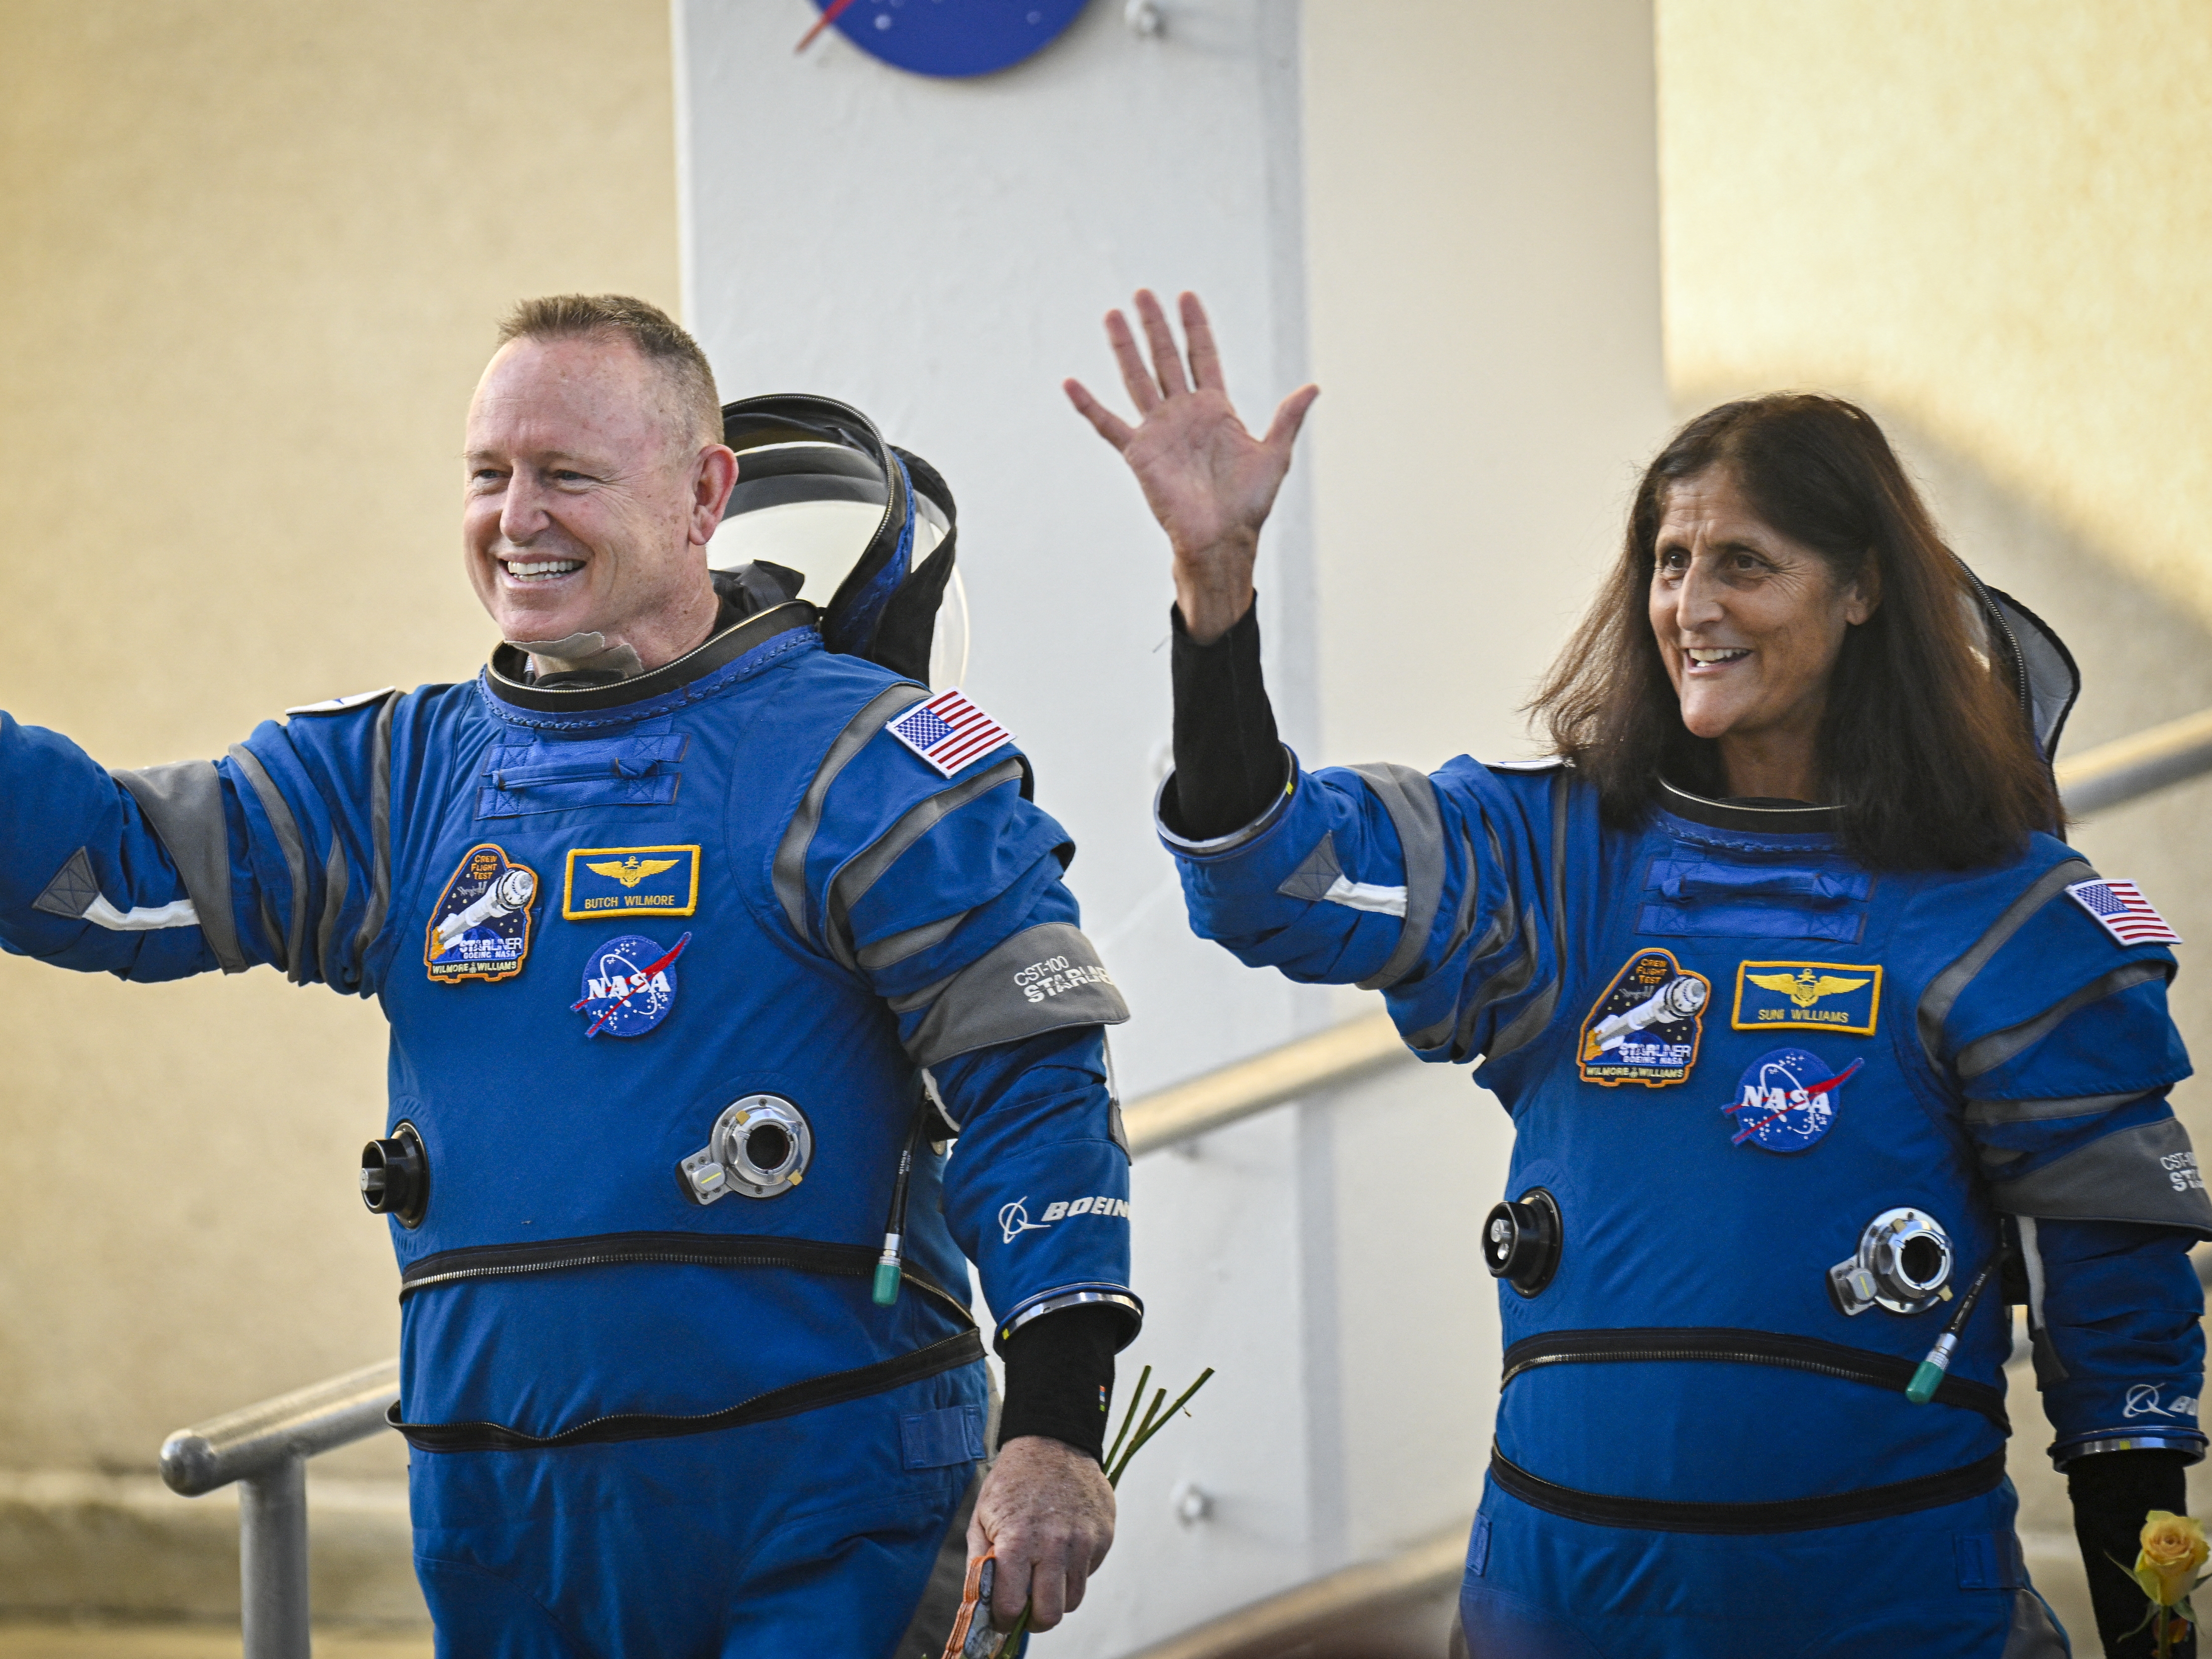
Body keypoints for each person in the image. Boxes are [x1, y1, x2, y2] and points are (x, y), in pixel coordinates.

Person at [1066, 289, 2210, 1659]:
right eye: (1668, 562)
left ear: (1859, 591)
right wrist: (1217, 597)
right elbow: (1272, 876)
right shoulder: (1554, 862)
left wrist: (2155, 1635)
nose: (1690, 605)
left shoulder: (2004, 912)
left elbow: (2119, 1335)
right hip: (1558, 1603)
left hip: (1881, 1612)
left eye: (1743, 562)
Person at [1, 294, 1136, 1655]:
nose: (517, 517)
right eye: (489, 474)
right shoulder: (394, 779)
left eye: (568, 476)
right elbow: (116, 878)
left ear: (705, 493)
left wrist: (1056, 1426)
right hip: (502, 1517)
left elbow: (1032, 1085)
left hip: (827, 1509)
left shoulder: (869, 763)